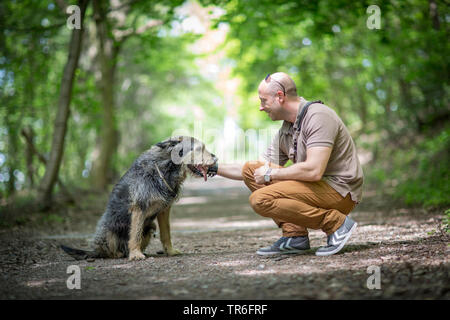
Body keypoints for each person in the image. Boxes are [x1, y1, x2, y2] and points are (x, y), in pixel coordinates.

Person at [208, 72, 363, 256]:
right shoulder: (287, 129)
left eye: (263, 100)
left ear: (280, 97)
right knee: (252, 170)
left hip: (340, 191)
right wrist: (212, 166)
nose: (261, 107)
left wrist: (270, 174)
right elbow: (256, 170)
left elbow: (314, 171)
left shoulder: (318, 116)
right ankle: (294, 236)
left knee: (261, 200)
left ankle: (336, 224)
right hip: (317, 188)